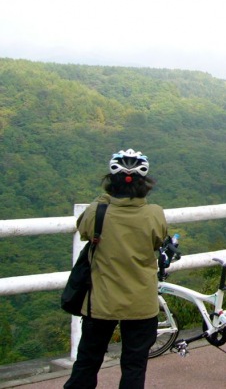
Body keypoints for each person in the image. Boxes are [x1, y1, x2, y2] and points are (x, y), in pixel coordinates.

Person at [64, 149, 167, 389]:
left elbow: (84, 230)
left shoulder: (98, 212)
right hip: (141, 304)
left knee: (87, 363)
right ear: (145, 183)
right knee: (134, 366)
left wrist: (107, 197)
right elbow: (158, 240)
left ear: (111, 182)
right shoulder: (154, 214)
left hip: (101, 302)